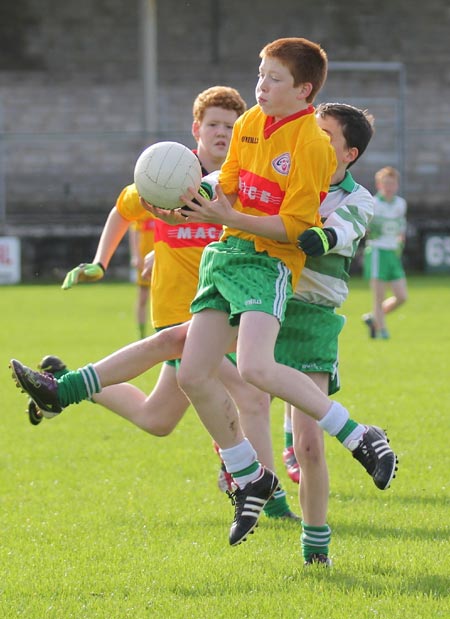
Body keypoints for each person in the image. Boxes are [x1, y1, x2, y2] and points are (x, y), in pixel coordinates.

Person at [11, 38, 398, 549]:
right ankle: (250, 475)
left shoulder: (309, 146)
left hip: (268, 267)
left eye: (274, 78)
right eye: (260, 74)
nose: (261, 84)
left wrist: (227, 216)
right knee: (191, 371)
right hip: (227, 257)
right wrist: (192, 195)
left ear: (304, 91)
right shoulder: (251, 124)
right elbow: (231, 179)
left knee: (256, 377)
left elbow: (297, 228)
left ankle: (355, 438)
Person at [19, 85, 298, 521]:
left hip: (226, 312)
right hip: (178, 318)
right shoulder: (168, 173)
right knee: (251, 394)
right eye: (213, 125)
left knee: (157, 419)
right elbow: (123, 210)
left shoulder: (244, 180)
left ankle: (66, 381)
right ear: (197, 128)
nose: (222, 132)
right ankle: (270, 498)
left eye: (230, 125)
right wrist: (99, 262)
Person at [274, 102, 376, 565]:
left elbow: (338, 232)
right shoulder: (288, 174)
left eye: (325, 136)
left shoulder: (360, 200)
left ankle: (315, 546)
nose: (312, 141)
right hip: (265, 304)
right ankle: (236, 462)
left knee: (309, 443)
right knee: (187, 365)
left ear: (348, 153)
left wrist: (318, 235)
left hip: (313, 320)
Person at [362, 166, 408, 339]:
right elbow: (364, 227)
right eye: (386, 183)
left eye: (392, 183)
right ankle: (382, 331)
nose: (389, 187)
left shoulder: (400, 204)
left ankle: (374, 318)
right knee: (378, 296)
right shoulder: (373, 203)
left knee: (402, 296)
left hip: (392, 253)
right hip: (377, 251)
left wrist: (399, 243)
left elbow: (401, 227)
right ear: (379, 185)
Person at [128, 215, 155, 339]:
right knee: (143, 297)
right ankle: (141, 334)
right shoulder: (142, 210)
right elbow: (134, 232)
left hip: (163, 257)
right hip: (145, 258)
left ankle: (162, 330)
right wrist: (136, 255)